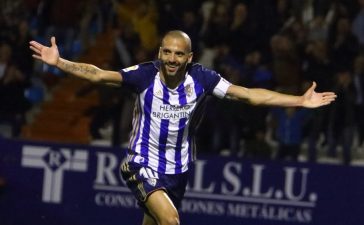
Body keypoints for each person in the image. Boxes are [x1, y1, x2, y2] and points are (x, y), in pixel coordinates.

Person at [29, 30, 336, 225]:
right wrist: (60, 62)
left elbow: (250, 96)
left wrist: (299, 100)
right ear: (159, 53)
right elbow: (98, 75)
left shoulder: (203, 79)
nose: (171, 59)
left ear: (189, 58)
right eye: (166, 52)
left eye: (178, 54)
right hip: (141, 163)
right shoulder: (144, 75)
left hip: (178, 170)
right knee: (171, 221)